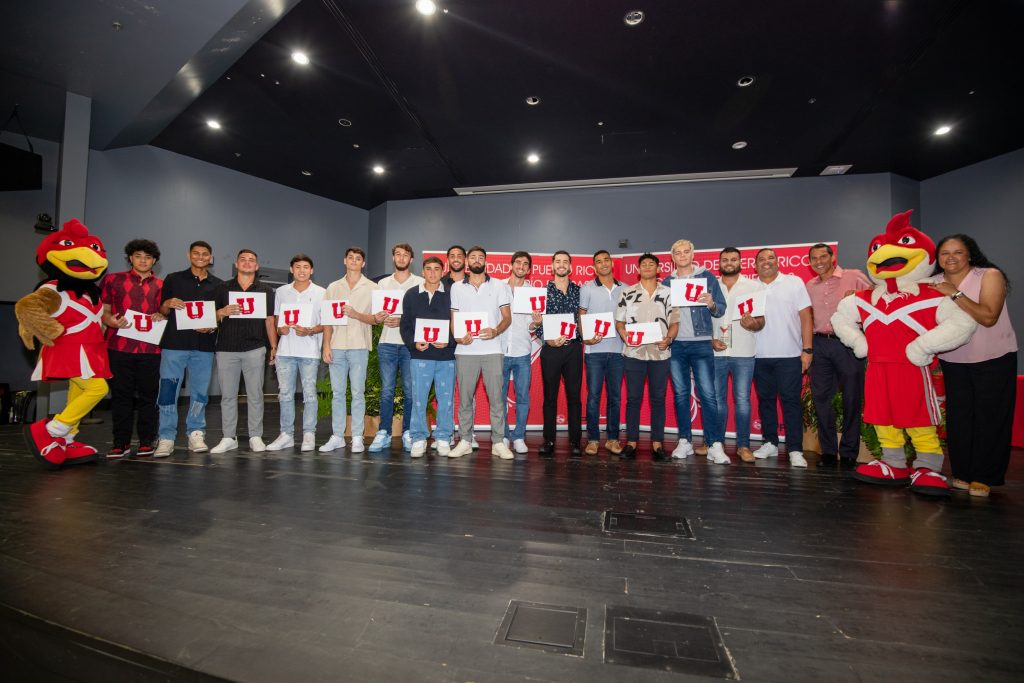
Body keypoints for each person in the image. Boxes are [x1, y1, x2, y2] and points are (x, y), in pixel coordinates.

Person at [931, 234, 1018, 497]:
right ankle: (962, 473)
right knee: (959, 418)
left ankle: (984, 476)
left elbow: (989, 316)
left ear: (970, 254)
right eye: (945, 253)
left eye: (958, 252)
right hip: (953, 359)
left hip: (993, 358)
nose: (951, 258)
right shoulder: (933, 282)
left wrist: (955, 294)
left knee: (990, 417)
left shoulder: (989, 276)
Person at [805, 243, 871, 467]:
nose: (819, 261)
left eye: (823, 256)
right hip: (820, 344)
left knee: (852, 398)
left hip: (848, 346)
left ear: (833, 257)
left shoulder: (853, 276)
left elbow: (876, 297)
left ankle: (850, 452)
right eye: (814, 258)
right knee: (822, 399)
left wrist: (862, 295)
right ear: (810, 262)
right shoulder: (809, 285)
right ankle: (829, 452)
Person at [155, 241, 222, 457]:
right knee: (167, 391)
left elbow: (218, 316)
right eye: (196, 253)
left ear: (210, 257)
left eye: (205, 254)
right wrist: (168, 303)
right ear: (189, 255)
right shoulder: (174, 279)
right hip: (175, 344)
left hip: (203, 347)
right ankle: (166, 437)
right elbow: (162, 309)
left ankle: (195, 432)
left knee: (200, 392)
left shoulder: (218, 285)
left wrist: (212, 326)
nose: (201, 257)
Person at [662, 239, 728, 462]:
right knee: (680, 394)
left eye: (686, 252)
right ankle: (685, 441)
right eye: (677, 253)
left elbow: (720, 310)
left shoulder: (706, 277)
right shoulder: (667, 282)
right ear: (673, 257)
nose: (682, 256)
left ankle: (714, 443)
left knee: (708, 394)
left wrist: (710, 303)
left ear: (692, 254)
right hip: (677, 344)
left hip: (701, 342)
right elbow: (662, 316)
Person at [448, 246, 515, 460]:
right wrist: (458, 336)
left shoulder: (499, 286)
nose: (477, 260)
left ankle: (498, 442)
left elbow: (507, 317)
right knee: (465, 400)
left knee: (496, 399)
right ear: (468, 262)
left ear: (486, 261)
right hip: (465, 351)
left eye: (481, 257)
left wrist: (495, 330)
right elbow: (454, 318)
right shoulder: (457, 287)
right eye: (473, 257)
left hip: (493, 350)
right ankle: (465, 441)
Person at [209, 249, 278, 453]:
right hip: (226, 349)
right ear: (237, 264)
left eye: (251, 260)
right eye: (243, 260)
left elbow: (269, 320)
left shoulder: (265, 291)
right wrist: (221, 312)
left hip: (255, 348)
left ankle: (255, 435)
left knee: (256, 394)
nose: (247, 263)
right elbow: (208, 317)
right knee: (228, 396)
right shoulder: (222, 288)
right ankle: (229, 437)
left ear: (257, 266)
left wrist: (273, 346)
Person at [100, 239, 164, 458]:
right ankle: (120, 443)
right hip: (119, 346)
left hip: (151, 350)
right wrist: (111, 322)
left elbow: (166, 312)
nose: (143, 260)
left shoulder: (162, 285)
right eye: (138, 256)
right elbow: (104, 311)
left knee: (149, 397)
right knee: (120, 396)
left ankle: (146, 441)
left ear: (154, 260)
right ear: (130, 258)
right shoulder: (112, 280)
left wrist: (162, 315)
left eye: (148, 257)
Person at [751, 248, 813, 467]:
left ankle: (795, 449)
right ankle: (770, 442)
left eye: (771, 258)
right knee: (766, 401)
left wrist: (807, 350)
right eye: (762, 259)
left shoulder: (794, 283)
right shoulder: (751, 287)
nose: (766, 262)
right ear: (755, 264)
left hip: (789, 354)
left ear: (777, 262)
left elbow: (806, 316)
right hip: (759, 355)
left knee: (790, 402)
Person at [614, 253, 679, 460]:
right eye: (644, 264)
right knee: (633, 399)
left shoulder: (669, 293)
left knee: (658, 399)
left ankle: (657, 444)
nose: (648, 266)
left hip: (660, 353)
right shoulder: (627, 292)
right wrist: (624, 335)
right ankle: (631, 442)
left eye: (652, 264)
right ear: (638, 269)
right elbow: (619, 322)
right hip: (633, 353)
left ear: (658, 269)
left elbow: (675, 323)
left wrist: (668, 339)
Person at [320, 247, 384, 453]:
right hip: (337, 346)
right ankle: (338, 435)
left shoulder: (372, 288)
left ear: (363, 263)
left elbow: (376, 319)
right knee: (338, 393)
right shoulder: (333, 287)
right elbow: (327, 321)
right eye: (351, 258)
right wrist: (326, 345)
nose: (354, 261)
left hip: (359, 346)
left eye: (358, 259)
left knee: (358, 393)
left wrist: (356, 314)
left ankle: (357, 436)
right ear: (344, 260)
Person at [266, 254, 325, 453]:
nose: (301, 270)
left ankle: (309, 433)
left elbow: (325, 324)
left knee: (309, 395)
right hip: (285, 351)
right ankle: (286, 434)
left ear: (312, 270)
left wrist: (309, 330)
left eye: (306, 267)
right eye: (297, 267)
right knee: (285, 395)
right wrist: (280, 330)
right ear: (291, 269)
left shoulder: (321, 292)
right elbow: (276, 320)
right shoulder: (281, 292)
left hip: (309, 352)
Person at [711, 247, 765, 463]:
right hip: (716, 352)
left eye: (734, 259)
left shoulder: (753, 286)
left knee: (742, 400)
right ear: (720, 263)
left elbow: (761, 320)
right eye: (725, 259)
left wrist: (755, 324)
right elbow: (703, 322)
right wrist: (709, 341)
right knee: (717, 401)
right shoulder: (711, 287)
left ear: (741, 262)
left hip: (744, 351)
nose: (730, 262)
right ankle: (716, 444)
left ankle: (743, 445)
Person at [368, 243, 424, 453]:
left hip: (409, 345)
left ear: (411, 259)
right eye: (398, 255)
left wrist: (402, 321)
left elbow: (423, 314)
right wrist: (380, 317)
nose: (401, 258)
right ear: (393, 258)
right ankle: (383, 432)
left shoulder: (419, 282)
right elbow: (376, 314)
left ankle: (409, 431)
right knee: (387, 391)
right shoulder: (382, 283)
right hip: (387, 343)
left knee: (410, 391)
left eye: (405, 255)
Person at [401, 256, 457, 457]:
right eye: (428, 269)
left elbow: (457, 324)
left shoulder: (452, 295)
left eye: (436, 269)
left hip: (446, 357)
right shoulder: (411, 294)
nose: (432, 273)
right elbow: (405, 325)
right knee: (418, 398)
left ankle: (443, 436)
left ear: (443, 271)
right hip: (420, 356)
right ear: (422, 271)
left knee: (446, 399)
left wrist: (450, 341)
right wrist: (414, 343)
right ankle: (418, 437)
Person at [535, 251, 583, 456]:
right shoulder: (542, 292)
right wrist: (546, 338)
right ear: (552, 266)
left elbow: (584, 319)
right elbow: (537, 323)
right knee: (550, 397)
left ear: (570, 266)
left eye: (565, 262)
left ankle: (575, 442)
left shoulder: (580, 291)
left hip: (573, 349)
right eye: (558, 262)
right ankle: (549, 441)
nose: (561, 265)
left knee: (574, 396)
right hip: (550, 350)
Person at [579, 249, 625, 455]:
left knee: (615, 397)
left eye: (606, 260)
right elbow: (581, 316)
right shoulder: (587, 288)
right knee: (594, 397)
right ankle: (593, 439)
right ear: (594, 267)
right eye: (599, 261)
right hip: (594, 351)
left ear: (611, 263)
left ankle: (613, 439)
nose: (603, 264)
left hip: (618, 351)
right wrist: (584, 337)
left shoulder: (626, 288)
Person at [501, 251, 539, 454]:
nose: (521, 266)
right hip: (499, 351)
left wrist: (537, 321)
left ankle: (519, 436)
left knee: (523, 395)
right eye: (518, 262)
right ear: (511, 265)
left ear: (529, 269)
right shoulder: (498, 287)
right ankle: (504, 435)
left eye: (526, 264)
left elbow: (531, 326)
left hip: (523, 350)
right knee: (499, 397)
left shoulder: (533, 291)